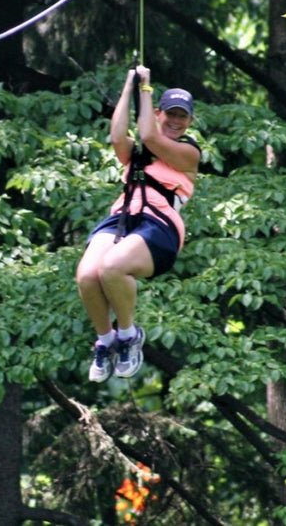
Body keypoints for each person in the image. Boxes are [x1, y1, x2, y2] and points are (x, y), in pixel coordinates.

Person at [75, 66, 199, 383]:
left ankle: (128, 335)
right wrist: (129, 87)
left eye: (181, 116)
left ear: (190, 122)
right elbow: (118, 136)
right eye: (169, 113)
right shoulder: (139, 153)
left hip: (159, 224)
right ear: (157, 113)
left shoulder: (188, 152)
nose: (175, 120)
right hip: (123, 217)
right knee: (88, 276)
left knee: (113, 267)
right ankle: (105, 340)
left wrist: (146, 88)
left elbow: (148, 135)